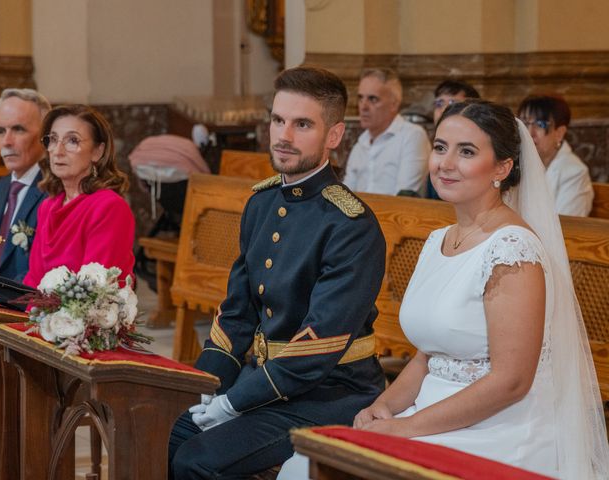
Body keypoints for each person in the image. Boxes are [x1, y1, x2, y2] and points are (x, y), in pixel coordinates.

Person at [281, 100, 609, 479]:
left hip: (498, 428)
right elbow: (426, 357)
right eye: (440, 148)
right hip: (431, 412)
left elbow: (512, 382)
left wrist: (405, 427)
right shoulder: (439, 239)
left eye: (466, 151)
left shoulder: (512, 251)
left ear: (502, 167)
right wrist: (382, 407)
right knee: (301, 465)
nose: (445, 163)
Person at [168, 66, 386, 479]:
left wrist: (231, 404)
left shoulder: (350, 224)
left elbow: (315, 350)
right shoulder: (261, 204)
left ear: (334, 136)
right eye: (278, 120)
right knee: (167, 431)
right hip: (266, 383)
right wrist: (205, 385)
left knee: (197, 459)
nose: (284, 136)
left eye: (302, 124)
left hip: (331, 393)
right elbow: (236, 313)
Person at [23, 105, 135, 288]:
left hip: (85, 314)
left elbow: (95, 292)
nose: (58, 151)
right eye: (53, 139)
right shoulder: (48, 206)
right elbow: (33, 281)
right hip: (42, 313)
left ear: (97, 152)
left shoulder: (109, 208)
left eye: (72, 141)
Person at [0, 88, 50, 282]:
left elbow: (46, 273)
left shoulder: (53, 190)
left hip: (23, 305)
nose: (6, 141)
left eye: (18, 129)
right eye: (0, 131)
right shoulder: (2, 186)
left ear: (46, 136)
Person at [343, 68, 430, 196]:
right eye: (361, 98)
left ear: (394, 104)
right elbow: (345, 195)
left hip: (396, 214)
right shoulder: (360, 144)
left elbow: (405, 197)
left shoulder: (412, 136)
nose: (363, 106)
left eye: (372, 99)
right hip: (357, 214)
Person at [518, 94, 593, 216]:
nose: (529, 132)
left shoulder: (575, 173)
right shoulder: (515, 162)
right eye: (525, 123)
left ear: (560, 133)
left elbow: (567, 228)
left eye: (540, 124)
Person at [427, 79, 480, 199]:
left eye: (452, 104)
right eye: (439, 103)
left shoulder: (479, 142)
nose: (444, 109)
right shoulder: (430, 139)